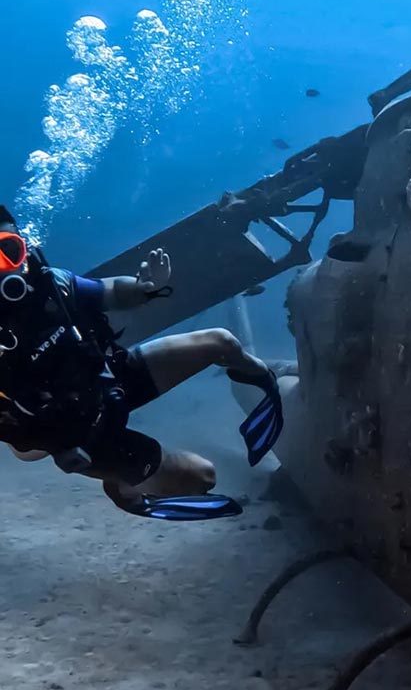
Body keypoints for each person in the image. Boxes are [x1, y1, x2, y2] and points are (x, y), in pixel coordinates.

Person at [0, 206, 282, 521]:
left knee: (222, 342)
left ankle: (265, 384)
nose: (1, 270)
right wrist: (56, 444)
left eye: (7, 251)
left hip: (106, 380)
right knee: (202, 477)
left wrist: (145, 286)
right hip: (69, 433)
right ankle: (125, 491)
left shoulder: (55, 283)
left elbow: (112, 292)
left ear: (23, 248)